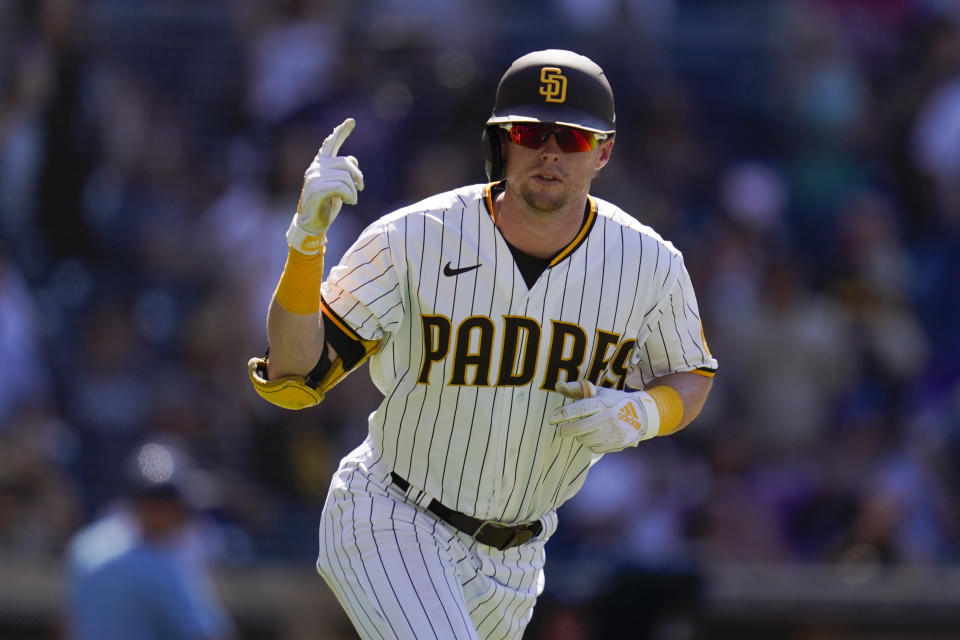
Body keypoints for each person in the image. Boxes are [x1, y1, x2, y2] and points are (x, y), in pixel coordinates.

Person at [248, 49, 717, 639]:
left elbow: (690, 375)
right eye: (530, 132)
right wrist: (306, 242)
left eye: (571, 138)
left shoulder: (648, 263)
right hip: (394, 514)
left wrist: (645, 410)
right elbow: (295, 380)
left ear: (604, 151)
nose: (549, 151)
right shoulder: (412, 238)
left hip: (518, 556)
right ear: (501, 142)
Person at [66, 441, 233, 640]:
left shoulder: (85, 545)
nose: (183, 518)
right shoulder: (159, 565)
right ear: (160, 507)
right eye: (178, 507)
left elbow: (67, 625)